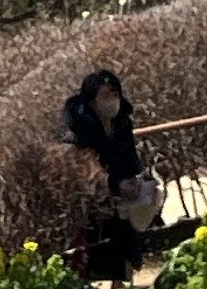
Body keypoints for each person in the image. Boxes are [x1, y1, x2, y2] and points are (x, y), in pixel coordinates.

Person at [60, 67, 164, 272]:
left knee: (127, 237)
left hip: (122, 199)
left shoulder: (122, 123)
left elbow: (130, 160)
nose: (112, 100)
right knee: (100, 246)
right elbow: (84, 172)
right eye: (105, 95)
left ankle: (123, 281)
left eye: (115, 94)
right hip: (92, 200)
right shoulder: (78, 134)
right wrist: (115, 185)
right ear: (91, 101)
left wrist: (137, 181)